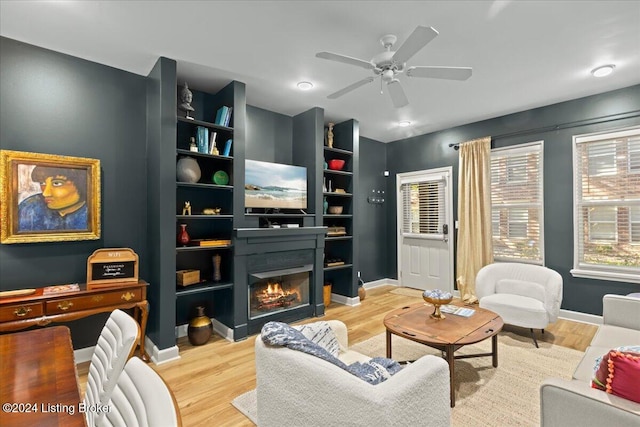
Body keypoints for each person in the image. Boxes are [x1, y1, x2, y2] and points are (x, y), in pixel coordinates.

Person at [18, 165, 88, 231]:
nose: (45, 193)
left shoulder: (92, 213)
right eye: (42, 183)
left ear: (82, 184)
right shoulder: (30, 207)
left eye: (57, 183)